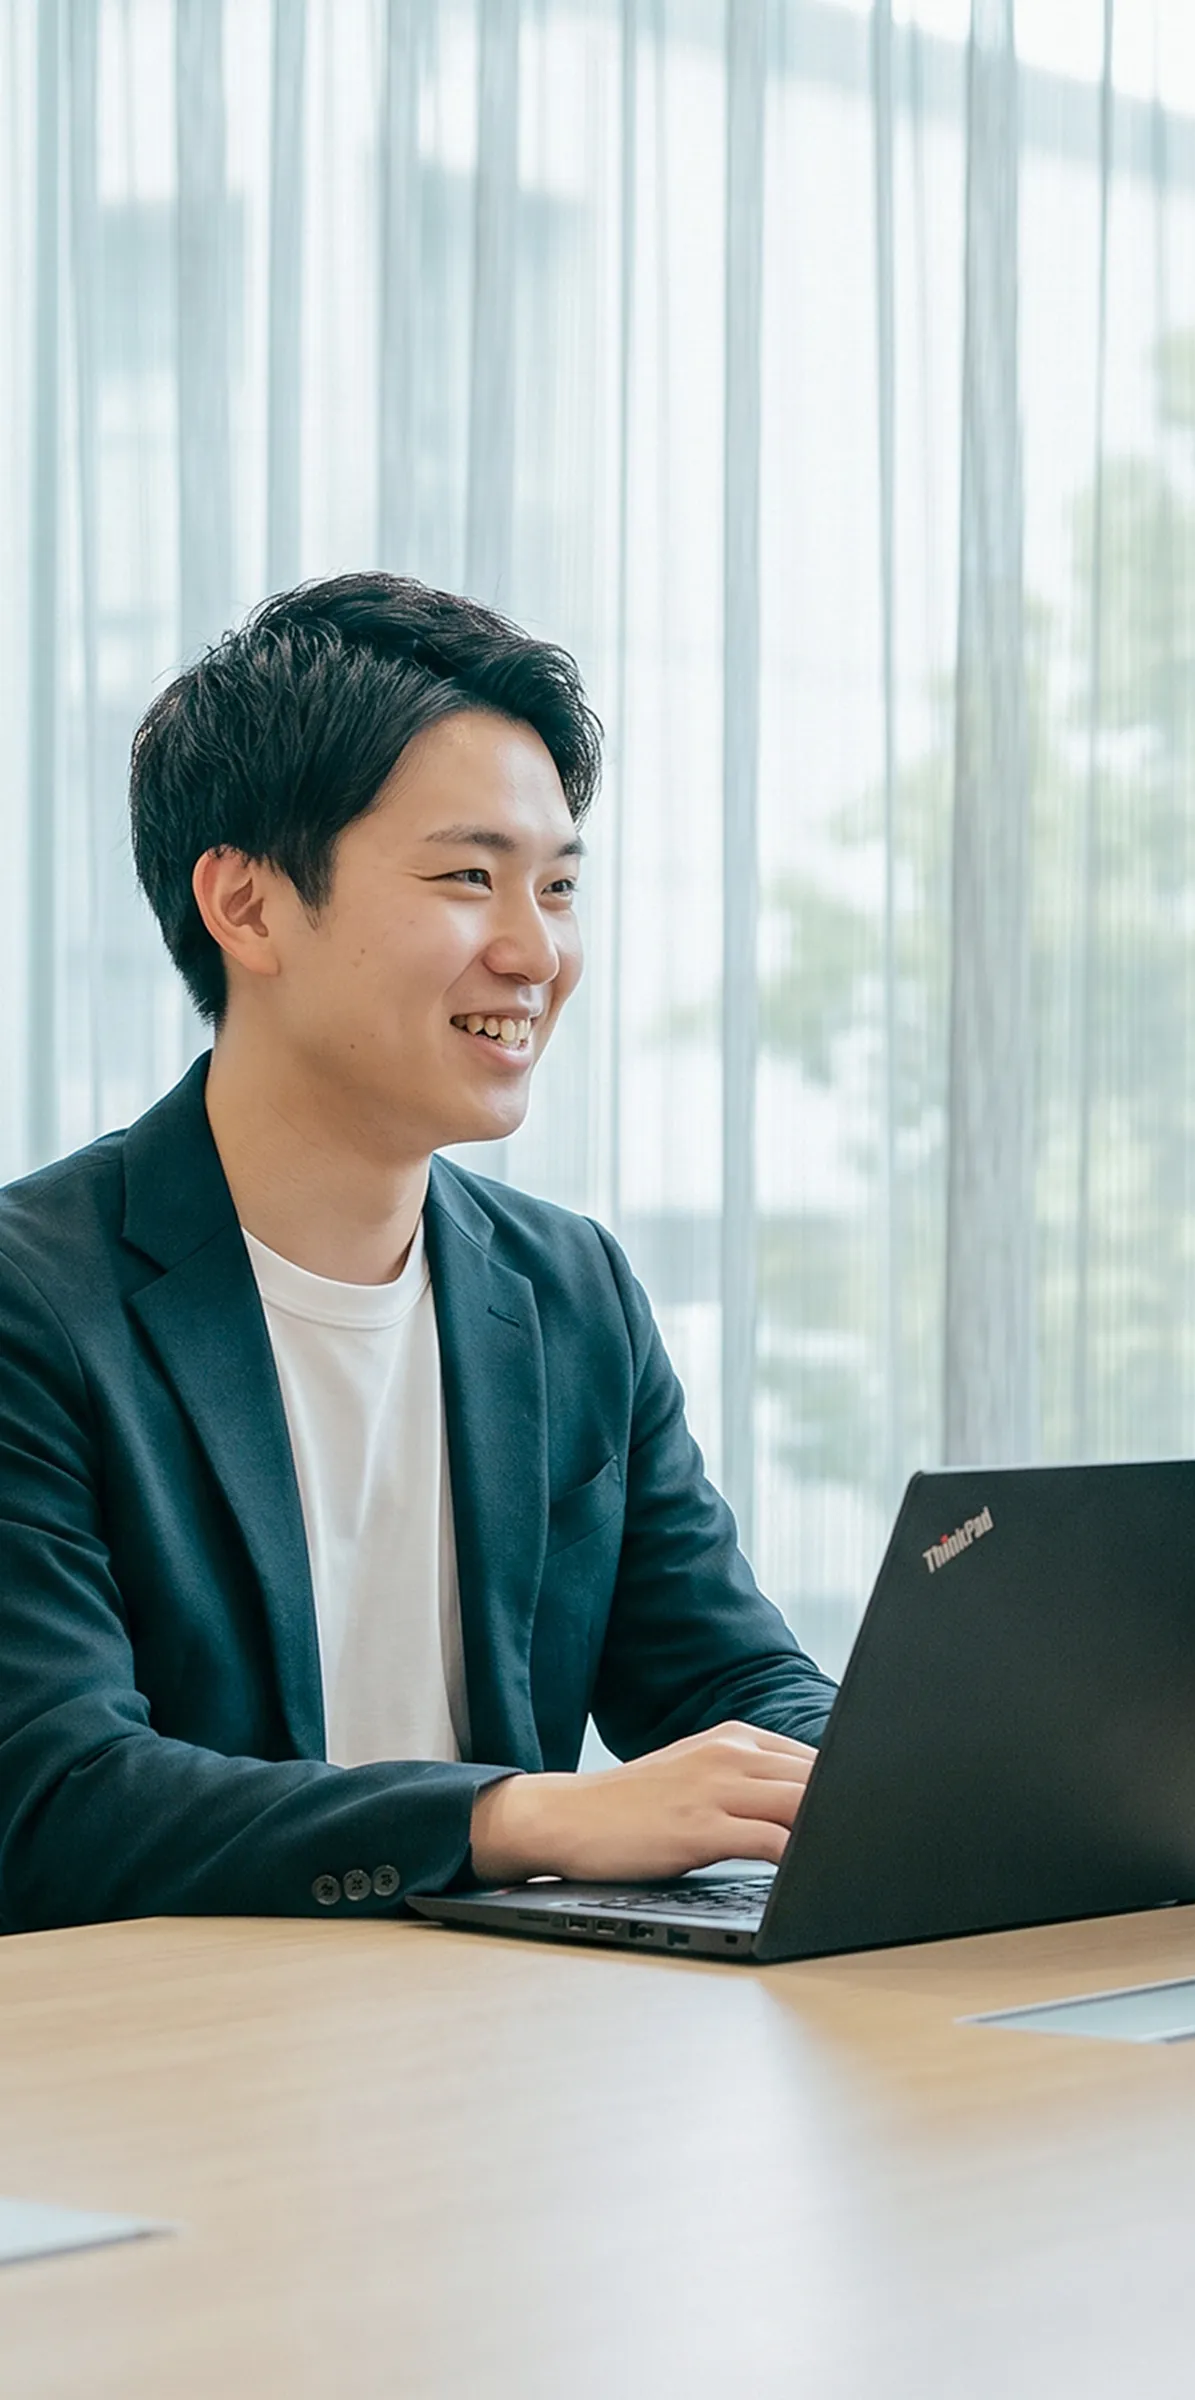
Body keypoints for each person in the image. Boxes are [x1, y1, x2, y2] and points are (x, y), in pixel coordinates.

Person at [0, 573, 835, 1932]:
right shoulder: (34, 1303)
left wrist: (927, 1775)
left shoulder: (570, 1294)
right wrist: (514, 1815)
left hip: (483, 2051)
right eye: (469, 878)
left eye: (559, 888)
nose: (536, 952)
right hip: (151, 2084)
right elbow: (53, 1797)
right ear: (249, 907)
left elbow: (726, 1682)